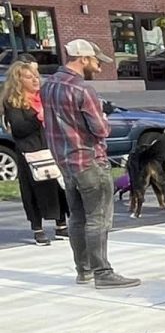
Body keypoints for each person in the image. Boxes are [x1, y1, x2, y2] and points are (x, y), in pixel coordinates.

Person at [42, 40, 138, 287]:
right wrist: (104, 118)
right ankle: (102, 272)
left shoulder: (48, 85)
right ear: (83, 59)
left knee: (77, 217)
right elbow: (101, 129)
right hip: (89, 160)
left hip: (65, 162)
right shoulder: (83, 90)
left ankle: (83, 269)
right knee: (98, 218)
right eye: (96, 60)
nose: (98, 65)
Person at [3, 58, 69, 245]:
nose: (35, 80)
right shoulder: (13, 102)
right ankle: (38, 229)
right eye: (28, 77)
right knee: (34, 190)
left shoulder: (44, 98)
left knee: (57, 186)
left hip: (50, 148)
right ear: (18, 80)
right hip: (29, 151)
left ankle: (61, 225)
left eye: (36, 76)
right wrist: (38, 118)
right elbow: (19, 128)